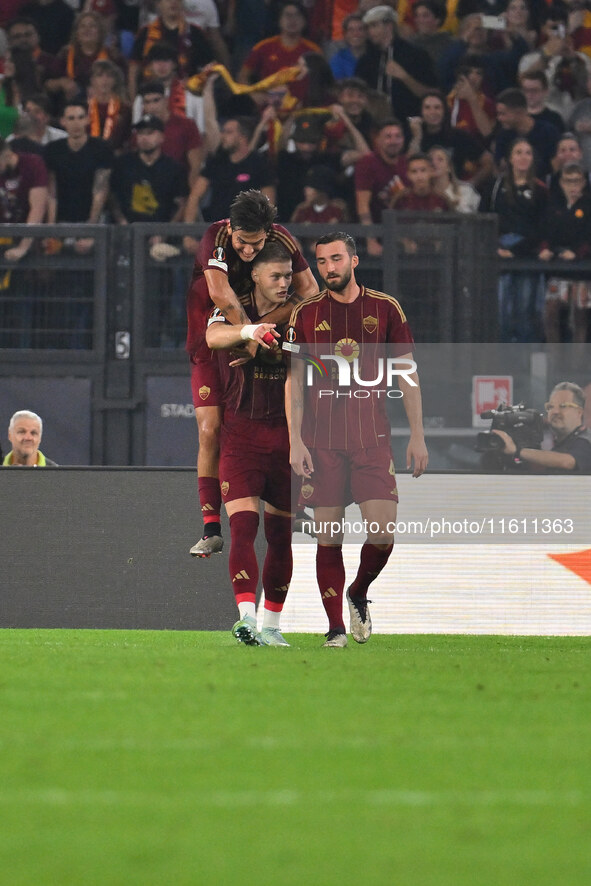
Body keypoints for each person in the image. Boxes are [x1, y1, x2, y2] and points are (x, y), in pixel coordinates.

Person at [285, 231, 428, 647]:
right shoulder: (306, 313)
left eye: (335, 259)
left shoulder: (385, 308)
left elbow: (407, 372)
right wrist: (295, 439)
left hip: (372, 441)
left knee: (382, 535)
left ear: (354, 260)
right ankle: (334, 628)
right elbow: (294, 382)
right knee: (329, 537)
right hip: (322, 442)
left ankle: (359, 592)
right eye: (321, 262)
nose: (328, 268)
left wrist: (417, 434)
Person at [185, 189, 317, 558]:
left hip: (260, 336)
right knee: (210, 428)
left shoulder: (281, 238)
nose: (247, 250)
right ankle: (211, 526)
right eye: (242, 243)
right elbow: (222, 295)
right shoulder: (217, 237)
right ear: (233, 230)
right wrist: (248, 337)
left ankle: (299, 505)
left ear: (268, 233)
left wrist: (262, 333)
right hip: (211, 342)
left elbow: (308, 292)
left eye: (255, 244)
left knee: (289, 413)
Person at [205, 241, 295, 646]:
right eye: (275, 276)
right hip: (241, 438)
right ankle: (246, 618)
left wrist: (277, 353)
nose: (283, 283)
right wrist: (249, 333)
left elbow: (316, 360)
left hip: (289, 439)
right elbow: (212, 337)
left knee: (280, 536)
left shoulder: (301, 312)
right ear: (255, 275)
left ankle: (273, 628)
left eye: (289, 276)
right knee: (243, 525)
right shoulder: (233, 307)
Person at [486, 137, 548, 342]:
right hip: (501, 255)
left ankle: (523, 364)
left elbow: (543, 227)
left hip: (527, 258)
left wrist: (520, 249)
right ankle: (502, 360)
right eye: (518, 152)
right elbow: (487, 219)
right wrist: (496, 246)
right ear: (510, 158)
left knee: (525, 311)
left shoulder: (540, 190)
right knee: (502, 311)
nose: (523, 157)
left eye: (527, 153)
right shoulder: (496, 186)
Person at [183, 115, 275, 224]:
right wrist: (188, 234)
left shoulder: (259, 164)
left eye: (228, 132)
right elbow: (195, 196)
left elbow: (268, 203)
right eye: (223, 132)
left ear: (242, 136)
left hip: (247, 231)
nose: (222, 136)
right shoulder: (216, 162)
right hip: (217, 230)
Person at [355, 4, 438, 120]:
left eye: (374, 26)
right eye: (368, 28)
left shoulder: (416, 55)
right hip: (374, 125)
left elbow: (432, 94)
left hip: (409, 123)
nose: (370, 32)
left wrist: (404, 77)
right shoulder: (366, 60)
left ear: (389, 26)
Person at [538, 162, 591, 343]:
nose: (573, 186)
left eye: (577, 181)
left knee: (579, 318)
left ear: (583, 183)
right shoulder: (554, 206)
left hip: (582, 272)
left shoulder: (589, 205)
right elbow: (545, 232)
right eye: (569, 181)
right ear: (561, 183)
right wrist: (545, 249)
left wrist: (577, 253)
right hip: (558, 270)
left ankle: (576, 368)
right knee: (550, 313)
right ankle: (555, 363)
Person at [492, 382, 591, 472]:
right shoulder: (559, 446)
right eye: (551, 407)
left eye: (563, 406)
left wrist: (517, 451)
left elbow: (568, 462)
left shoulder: (586, 440)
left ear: (579, 412)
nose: (555, 412)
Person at [354, 117, 409, 256]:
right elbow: (363, 205)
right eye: (388, 137)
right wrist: (371, 240)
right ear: (377, 140)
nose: (394, 141)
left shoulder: (407, 163)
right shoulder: (368, 163)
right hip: (377, 231)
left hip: (402, 232)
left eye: (398, 136)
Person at [136, 79, 203, 186]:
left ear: (166, 101)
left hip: (178, 185)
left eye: (156, 100)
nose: (152, 106)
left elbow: (196, 165)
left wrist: (191, 196)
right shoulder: (140, 129)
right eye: (147, 102)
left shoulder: (186, 125)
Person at [494, 87, 561, 178]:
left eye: (503, 114)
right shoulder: (503, 136)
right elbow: (500, 169)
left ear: (519, 112)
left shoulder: (548, 132)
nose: (499, 118)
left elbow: (556, 168)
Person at [0, 136, 48, 261]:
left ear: (6, 154)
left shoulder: (33, 164)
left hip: (30, 238)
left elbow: (37, 209)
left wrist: (23, 247)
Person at [429, 144, 481, 212]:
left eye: (440, 159)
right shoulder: (423, 193)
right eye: (430, 160)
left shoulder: (465, 191)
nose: (434, 163)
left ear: (449, 167)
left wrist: (447, 200)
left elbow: (466, 218)